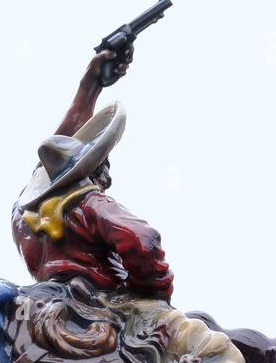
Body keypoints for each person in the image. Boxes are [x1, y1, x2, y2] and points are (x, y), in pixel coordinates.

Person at [11, 48, 174, 302]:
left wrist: (90, 86)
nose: (108, 180)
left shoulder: (23, 216)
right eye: (104, 166)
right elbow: (143, 239)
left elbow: (56, 151)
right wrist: (152, 294)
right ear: (96, 170)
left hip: (54, 302)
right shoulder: (90, 205)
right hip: (107, 304)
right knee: (209, 340)